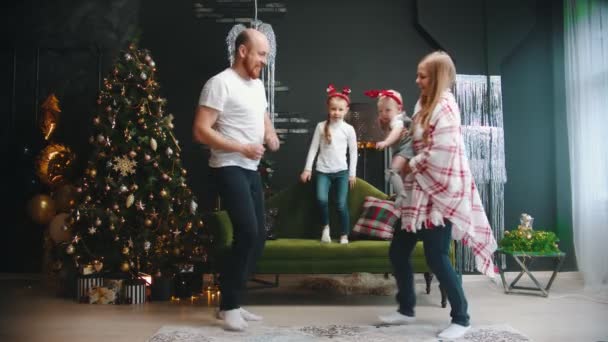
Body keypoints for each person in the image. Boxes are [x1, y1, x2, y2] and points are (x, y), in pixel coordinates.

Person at [378, 51, 497, 340]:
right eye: (418, 74)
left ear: (438, 77)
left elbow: (444, 152)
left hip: (439, 195)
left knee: (436, 256)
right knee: (398, 251)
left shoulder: (446, 107)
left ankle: (462, 317)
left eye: (423, 75)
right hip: (418, 192)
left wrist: (411, 163)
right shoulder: (423, 104)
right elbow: (417, 141)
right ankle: (406, 309)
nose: (416, 80)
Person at [192, 28, 280, 332]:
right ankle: (229, 305)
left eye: (266, 55)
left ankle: (232, 303)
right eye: (261, 54)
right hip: (228, 166)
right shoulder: (219, 84)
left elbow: (262, 114)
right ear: (243, 51)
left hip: (251, 168)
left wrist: (269, 133)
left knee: (257, 237)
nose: (265, 61)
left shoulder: (256, 85)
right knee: (246, 231)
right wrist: (241, 147)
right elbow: (201, 130)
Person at [300, 84, 357, 245]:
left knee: (340, 204)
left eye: (340, 110)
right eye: (333, 109)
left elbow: (353, 153)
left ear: (346, 110)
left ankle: (344, 234)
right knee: (321, 200)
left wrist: (352, 174)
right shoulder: (320, 127)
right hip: (323, 171)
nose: (336, 113)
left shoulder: (349, 129)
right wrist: (307, 169)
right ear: (328, 109)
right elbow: (313, 150)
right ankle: (326, 228)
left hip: (341, 172)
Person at [364, 89, 413, 207]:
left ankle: (401, 194)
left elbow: (396, 132)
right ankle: (402, 195)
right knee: (400, 176)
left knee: (391, 172)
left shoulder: (397, 120)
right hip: (402, 150)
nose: (383, 114)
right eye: (380, 111)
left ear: (399, 109)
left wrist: (385, 142)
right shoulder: (390, 120)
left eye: (388, 110)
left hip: (407, 149)